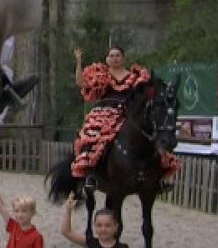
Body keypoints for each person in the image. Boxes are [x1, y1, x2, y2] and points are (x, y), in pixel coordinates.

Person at [73, 46, 179, 192]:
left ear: (123, 58)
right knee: (92, 135)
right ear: (107, 59)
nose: (115, 58)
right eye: (112, 55)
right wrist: (78, 63)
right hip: (105, 112)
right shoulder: (101, 75)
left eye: (118, 55)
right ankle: (91, 173)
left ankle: (160, 176)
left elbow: (148, 90)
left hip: (129, 111)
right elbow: (81, 83)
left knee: (152, 132)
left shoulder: (135, 76)